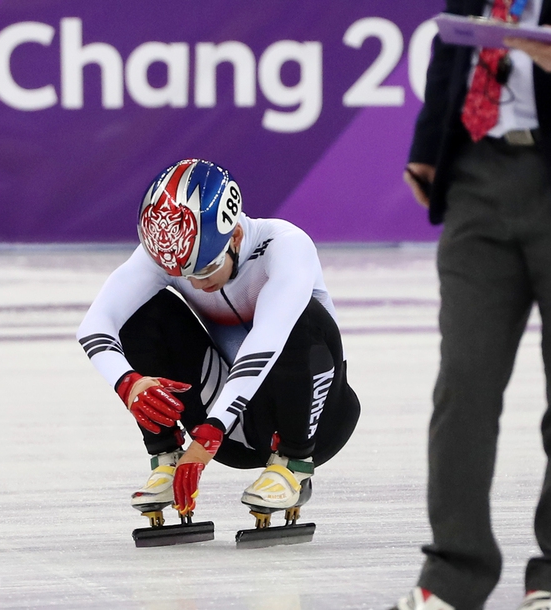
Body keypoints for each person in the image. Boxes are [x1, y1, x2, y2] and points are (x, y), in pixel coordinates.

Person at [76, 158, 360, 530]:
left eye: (206, 269)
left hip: (318, 422)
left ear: (236, 237)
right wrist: (129, 382)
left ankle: (294, 464)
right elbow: (95, 324)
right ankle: (166, 457)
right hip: (235, 431)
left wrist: (211, 431)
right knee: (142, 309)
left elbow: (265, 343)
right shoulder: (168, 251)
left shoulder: (287, 246)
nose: (197, 284)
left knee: (300, 315)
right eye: (183, 275)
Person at [393, 0, 551, 608]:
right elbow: (450, 49)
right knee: (464, 382)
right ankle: (454, 573)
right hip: (476, 180)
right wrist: (428, 145)